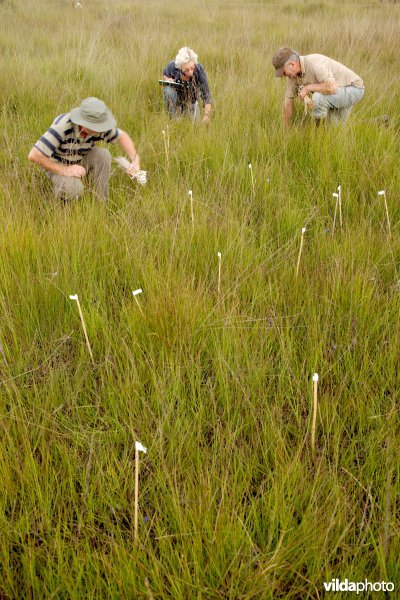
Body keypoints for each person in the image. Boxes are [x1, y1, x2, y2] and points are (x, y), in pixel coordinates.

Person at [28, 97, 142, 201]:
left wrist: (135, 159)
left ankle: (101, 202)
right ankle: (59, 205)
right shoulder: (62, 126)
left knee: (103, 155)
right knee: (74, 188)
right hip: (58, 164)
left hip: (80, 158)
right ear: (85, 123)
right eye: (97, 126)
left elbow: (122, 136)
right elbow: (34, 155)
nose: (101, 129)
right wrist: (66, 170)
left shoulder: (99, 127)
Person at [272, 47, 364, 126]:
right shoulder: (292, 76)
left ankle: (316, 130)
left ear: (292, 64)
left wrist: (307, 88)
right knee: (334, 130)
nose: (283, 75)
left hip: (354, 89)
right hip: (337, 93)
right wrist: (286, 130)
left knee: (318, 98)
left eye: (283, 72)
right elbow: (288, 102)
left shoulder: (314, 62)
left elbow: (332, 87)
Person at [162, 47, 212, 124]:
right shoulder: (172, 66)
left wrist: (206, 115)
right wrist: (168, 79)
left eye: (192, 68)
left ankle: (187, 112)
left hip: (192, 101)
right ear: (180, 67)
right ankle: (174, 120)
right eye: (186, 69)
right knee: (167, 90)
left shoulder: (199, 70)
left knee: (196, 125)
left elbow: (207, 95)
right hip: (176, 98)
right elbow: (165, 74)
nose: (190, 72)